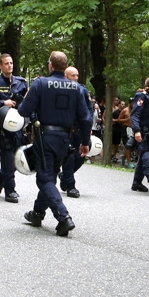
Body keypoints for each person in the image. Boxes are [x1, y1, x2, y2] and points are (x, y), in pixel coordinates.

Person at [19, 51, 91, 237]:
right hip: (65, 139)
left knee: (44, 178)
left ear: (51, 65)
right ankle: (37, 213)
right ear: (65, 67)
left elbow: (24, 110)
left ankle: (63, 217)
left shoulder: (41, 83)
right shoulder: (77, 88)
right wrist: (85, 141)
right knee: (49, 174)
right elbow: (85, 117)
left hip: (45, 137)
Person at [0, 54, 29, 203]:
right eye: (6, 63)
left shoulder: (21, 83)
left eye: (11, 63)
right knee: (8, 155)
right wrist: (3, 103)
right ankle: (10, 190)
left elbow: (28, 103)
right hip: (1, 125)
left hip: (19, 125)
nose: (9, 65)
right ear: (0, 66)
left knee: (19, 157)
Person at [58, 66, 94, 198]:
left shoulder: (82, 90)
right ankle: (71, 185)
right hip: (65, 129)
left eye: (77, 75)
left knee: (82, 155)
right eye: (72, 75)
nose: (75, 78)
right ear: (65, 76)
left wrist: (88, 127)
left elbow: (89, 111)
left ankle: (65, 175)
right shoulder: (60, 88)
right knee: (70, 156)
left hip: (79, 129)